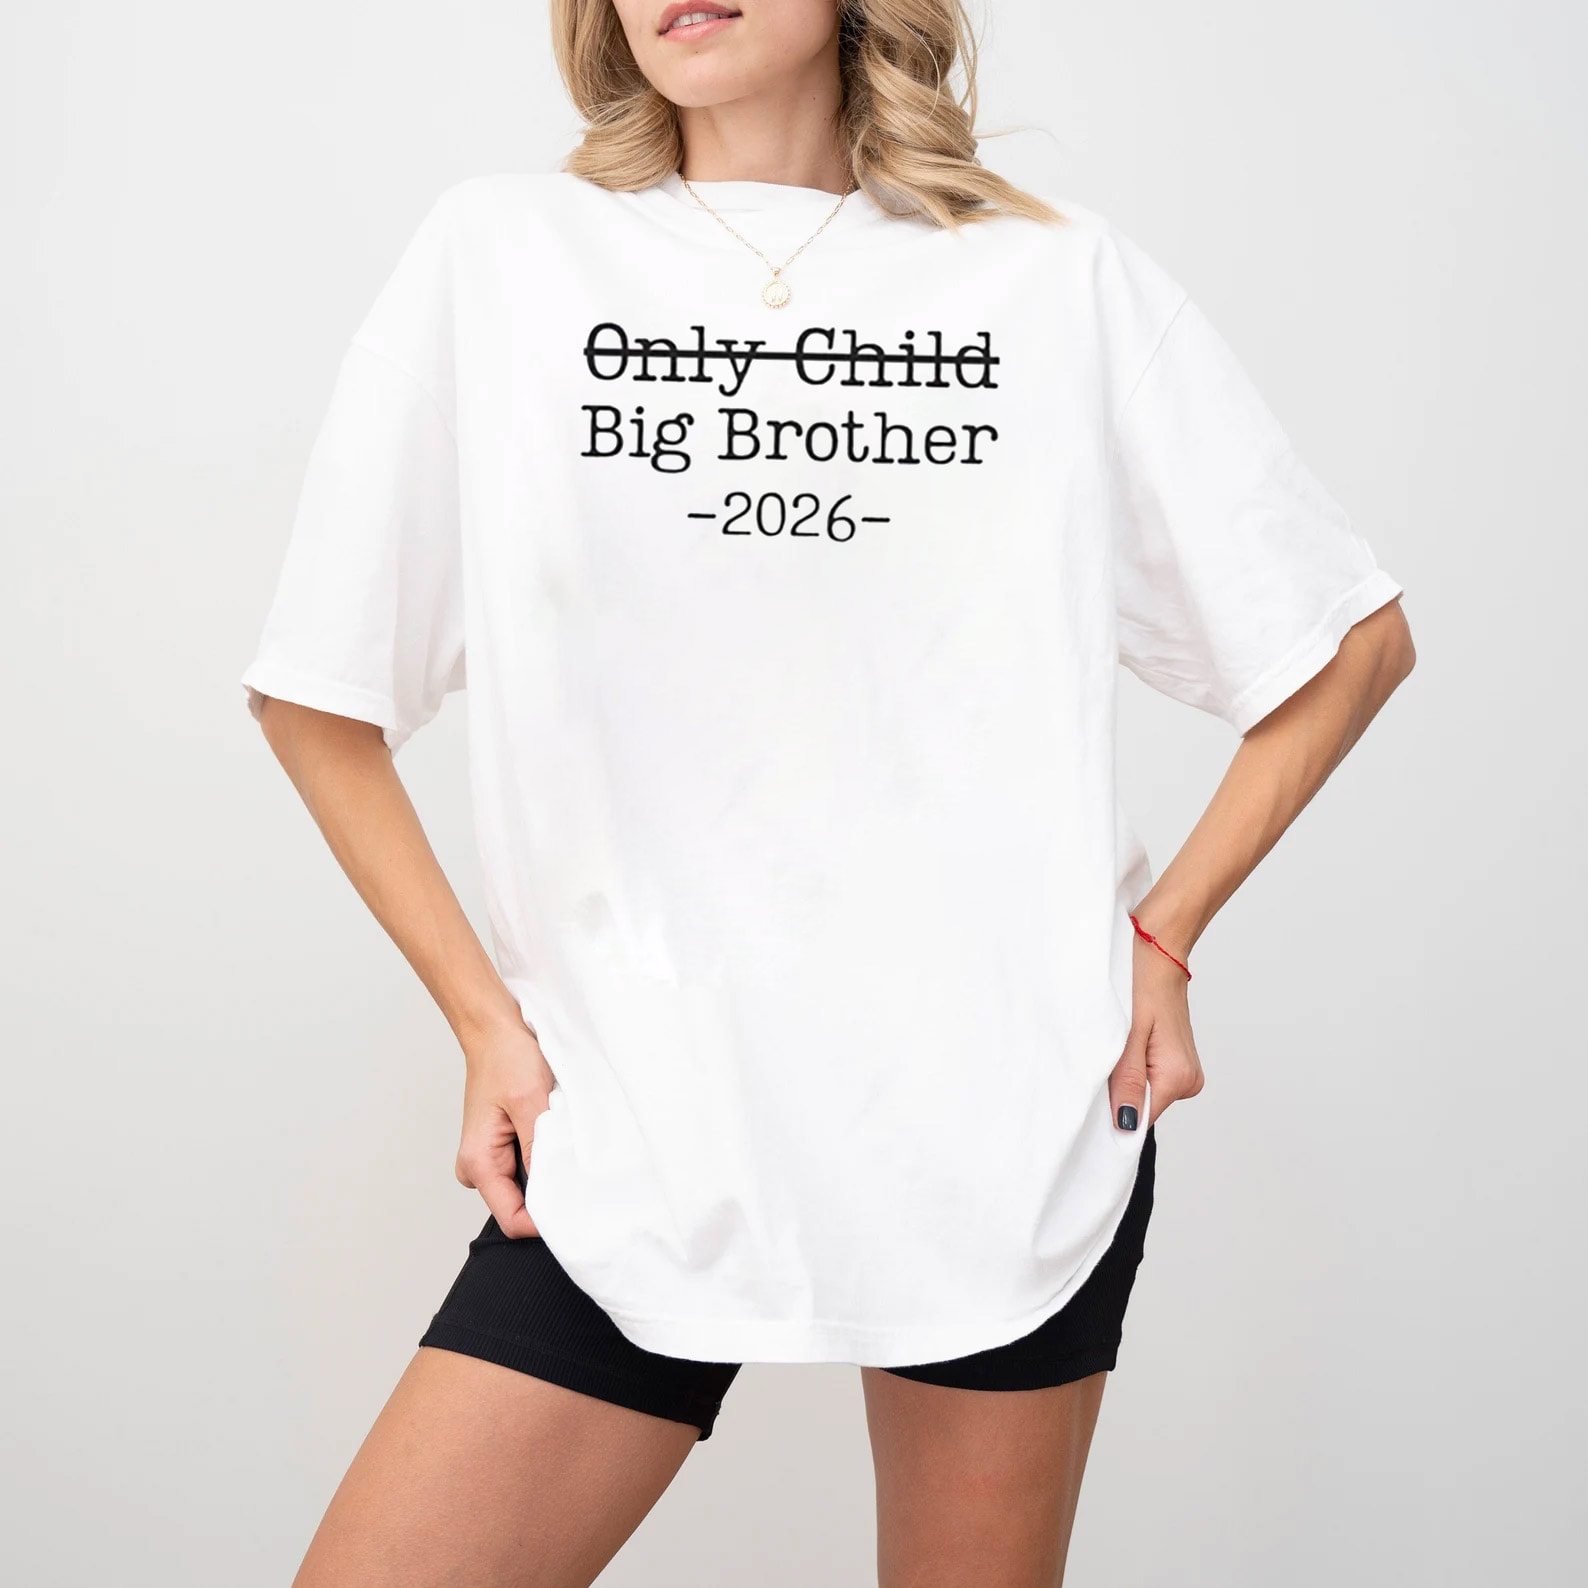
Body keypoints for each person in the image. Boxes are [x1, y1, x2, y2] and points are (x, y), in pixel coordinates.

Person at [241, 2, 1416, 1583]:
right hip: (632, 1118)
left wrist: (1164, 938)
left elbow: (1347, 641)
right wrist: (484, 1025)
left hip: (1005, 1120)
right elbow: (317, 693)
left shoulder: (1052, 281)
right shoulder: (504, 257)